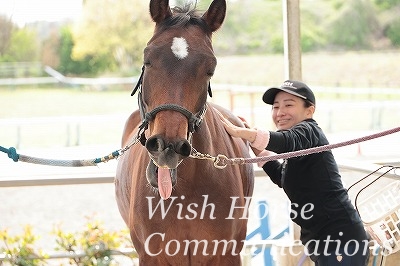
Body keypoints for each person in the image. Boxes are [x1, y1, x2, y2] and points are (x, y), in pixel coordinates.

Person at [220, 80, 370, 265]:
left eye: (289, 104)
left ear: (309, 110)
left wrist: (241, 132)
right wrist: (252, 143)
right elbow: (281, 176)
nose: (280, 112)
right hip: (323, 239)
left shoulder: (309, 131)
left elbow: (287, 141)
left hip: (340, 238)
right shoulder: (301, 146)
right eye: (275, 107)